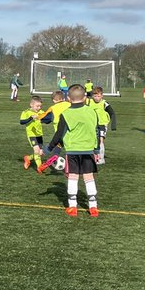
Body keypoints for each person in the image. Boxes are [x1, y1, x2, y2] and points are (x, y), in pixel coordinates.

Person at [48, 84, 101, 216]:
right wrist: (97, 149)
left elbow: (59, 134)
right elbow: (97, 131)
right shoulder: (92, 112)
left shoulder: (65, 114)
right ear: (84, 98)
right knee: (89, 177)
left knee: (73, 176)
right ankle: (93, 207)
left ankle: (73, 207)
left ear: (68, 98)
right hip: (88, 150)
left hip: (72, 151)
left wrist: (48, 148)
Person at [37, 89, 70, 173]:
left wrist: (36, 117)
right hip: (72, 132)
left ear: (54, 100)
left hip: (60, 133)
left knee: (58, 144)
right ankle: (68, 167)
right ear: (63, 98)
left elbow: (44, 118)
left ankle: (54, 155)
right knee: (70, 150)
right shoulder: (69, 104)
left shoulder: (53, 108)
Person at [90, 86, 116, 163]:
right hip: (92, 125)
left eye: (98, 96)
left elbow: (112, 113)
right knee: (93, 141)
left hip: (102, 125)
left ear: (102, 95)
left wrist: (113, 125)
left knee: (101, 140)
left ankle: (101, 159)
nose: (97, 98)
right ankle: (94, 157)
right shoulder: (89, 102)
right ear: (92, 96)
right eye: (95, 96)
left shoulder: (104, 103)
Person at [20, 95, 46, 170]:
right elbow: (22, 122)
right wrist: (31, 118)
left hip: (39, 134)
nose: (39, 108)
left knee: (40, 153)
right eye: (37, 106)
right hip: (31, 134)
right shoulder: (26, 112)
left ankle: (28, 158)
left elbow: (47, 119)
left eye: (40, 106)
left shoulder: (41, 112)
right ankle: (40, 167)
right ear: (31, 105)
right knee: (36, 150)